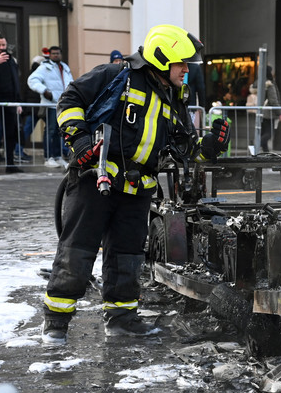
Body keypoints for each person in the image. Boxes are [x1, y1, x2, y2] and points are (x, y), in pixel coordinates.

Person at [41, 24, 230, 345]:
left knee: (127, 256)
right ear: (161, 58)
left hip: (137, 189)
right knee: (77, 251)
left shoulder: (173, 98)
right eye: (181, 63)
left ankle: (121, 320)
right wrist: (80, 140)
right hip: (95, 179)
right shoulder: (117, 76)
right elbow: (70, 99)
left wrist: (210, 146)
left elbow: (185, 148)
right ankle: (55, 324)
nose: (186, 70)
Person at [28, 45, 74, 169]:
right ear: (50, 54)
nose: (55, 55)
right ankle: (48, 157)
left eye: (57, 53)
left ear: (61, 54)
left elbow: (70, 83)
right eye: (53, 53)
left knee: (60, 132)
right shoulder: (44, 67)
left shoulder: (64, 67)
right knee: (50, 131)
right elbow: (32, 80)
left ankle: (58, 157)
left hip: (62, 105)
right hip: (50, 105)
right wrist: (44, 91)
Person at [0, 32, 24, 173]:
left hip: (10, 102)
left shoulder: (11, 60)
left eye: (4, 45)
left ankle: (10, 164)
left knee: (11, 134)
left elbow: (16, 81)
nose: (2, 48)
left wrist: (18, 102)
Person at [251, 65, 281, 152]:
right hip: (269, 113)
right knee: (269, 133)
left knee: (263, 132)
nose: (273, 73)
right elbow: (273, 101)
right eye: (271, 71)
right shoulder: (269, 85)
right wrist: (280, 113)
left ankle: (266, 152)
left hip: (260, 112)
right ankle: (255, 146)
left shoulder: (258, 84)